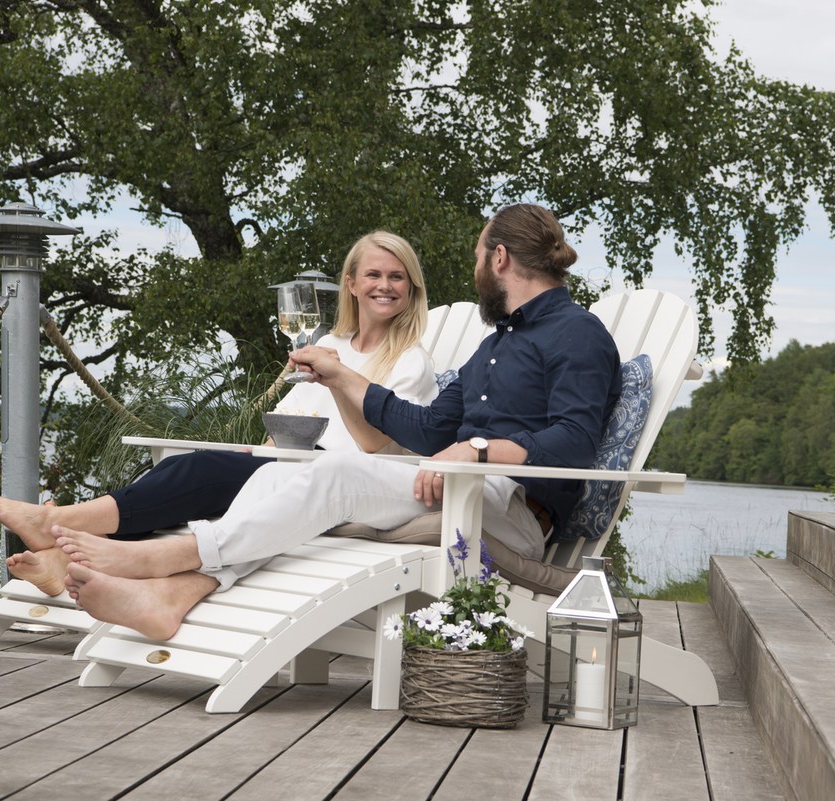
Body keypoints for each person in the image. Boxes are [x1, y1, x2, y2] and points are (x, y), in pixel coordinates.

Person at [51, 203, 623, 641]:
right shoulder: (495, 345)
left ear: (499, 258)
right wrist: (343, 375)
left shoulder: (579, 334)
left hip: (514, 509)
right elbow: (424, 430)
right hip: (456, 490)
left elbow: (572, 443)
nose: (476, 271)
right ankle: (174, 596)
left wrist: (474, 452)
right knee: (275, 475)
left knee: (339, 473)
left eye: (478, 259)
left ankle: (157, 560)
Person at [0, 230, 438, 596]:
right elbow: (286, 422)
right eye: (374, 274)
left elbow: (372, 443)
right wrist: (262, 451)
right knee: (185, 476)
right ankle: (62, 560)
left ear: (411, 287)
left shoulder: (410, 360)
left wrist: (337, 380)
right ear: (352, 284)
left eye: (397, 276)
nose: (385, 285)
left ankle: (58, 522)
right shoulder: (329, 346)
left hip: (341, 482)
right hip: (292, 465)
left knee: (197, 471)